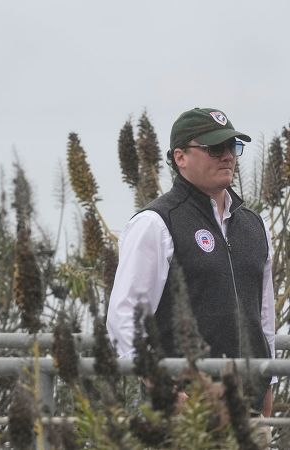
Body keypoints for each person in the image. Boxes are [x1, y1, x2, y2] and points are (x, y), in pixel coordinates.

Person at [106, 107, 275, 416]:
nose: (227, 156)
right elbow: (125, 317)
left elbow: (263, 318)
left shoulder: (255, 225)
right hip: (188, 413)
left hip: (249, 413)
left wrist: (268, 384)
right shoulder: (156, 223)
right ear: (180, 157)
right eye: (214, 148)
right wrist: (164, 389)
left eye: (233, 147)